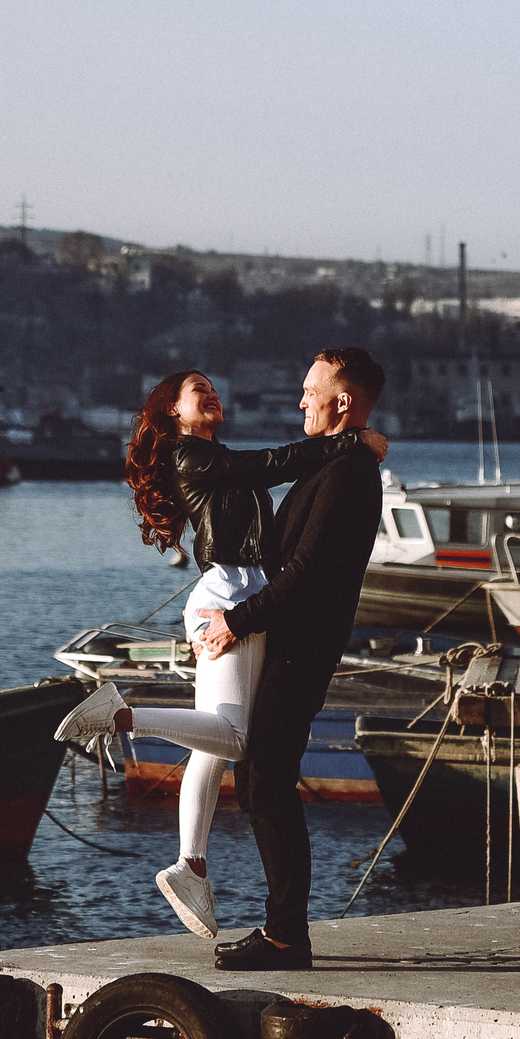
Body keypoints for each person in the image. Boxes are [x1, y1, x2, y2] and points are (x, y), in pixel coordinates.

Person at [52, 370, 386, 938]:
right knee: (235, 738)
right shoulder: (193, 456)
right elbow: (276, 464)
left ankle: (192, 866)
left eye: (212, 387)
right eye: (196, 390)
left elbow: (270, 473)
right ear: (173, 415)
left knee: (211, 744)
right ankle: (119, 716)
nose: (211, 394)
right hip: (230, 595)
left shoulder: (214, 455)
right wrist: (352, 442)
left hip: (239, 592)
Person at [193, 347, 390, 972]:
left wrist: (235, 621)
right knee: (256, 779)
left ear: (344, 401)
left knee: (267, 779)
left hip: (303, 644)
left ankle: (286, 938)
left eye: (311, 390)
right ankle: (284, 930)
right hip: (289, 638)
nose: (301, 400)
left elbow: (306, 574)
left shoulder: (348, 476)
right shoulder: (334, 463)